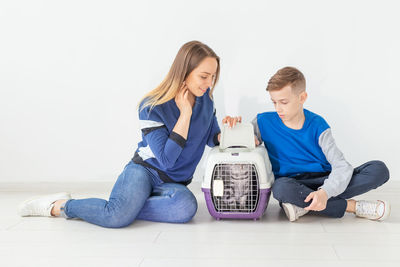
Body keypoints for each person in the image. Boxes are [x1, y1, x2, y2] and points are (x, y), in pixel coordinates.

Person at [18, 41, 222, 228]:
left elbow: (212, 137)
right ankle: (59, 206)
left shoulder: (207, 101)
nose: (209, 83)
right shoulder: (152, 106)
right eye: (203, 76)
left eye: (212, 77)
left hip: (174, 184)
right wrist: (185, 114)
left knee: (185, 207)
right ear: (184, 71)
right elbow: (167, 160)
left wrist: (233, 132)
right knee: (115, 218)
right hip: (145, 171)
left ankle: (125, 206)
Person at [224, 66, 390, 222]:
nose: (278, 109)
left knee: (379, 169)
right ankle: (351, 207)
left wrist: (325, 192)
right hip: (292, 183)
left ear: (302, 98)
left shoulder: (318, 125)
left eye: (284, 102)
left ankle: (303, 205)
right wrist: (234, 127)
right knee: (280, 189)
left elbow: (341, 166)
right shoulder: (263, 121)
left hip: (324, 178)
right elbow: (244, 142)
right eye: (274, 102)